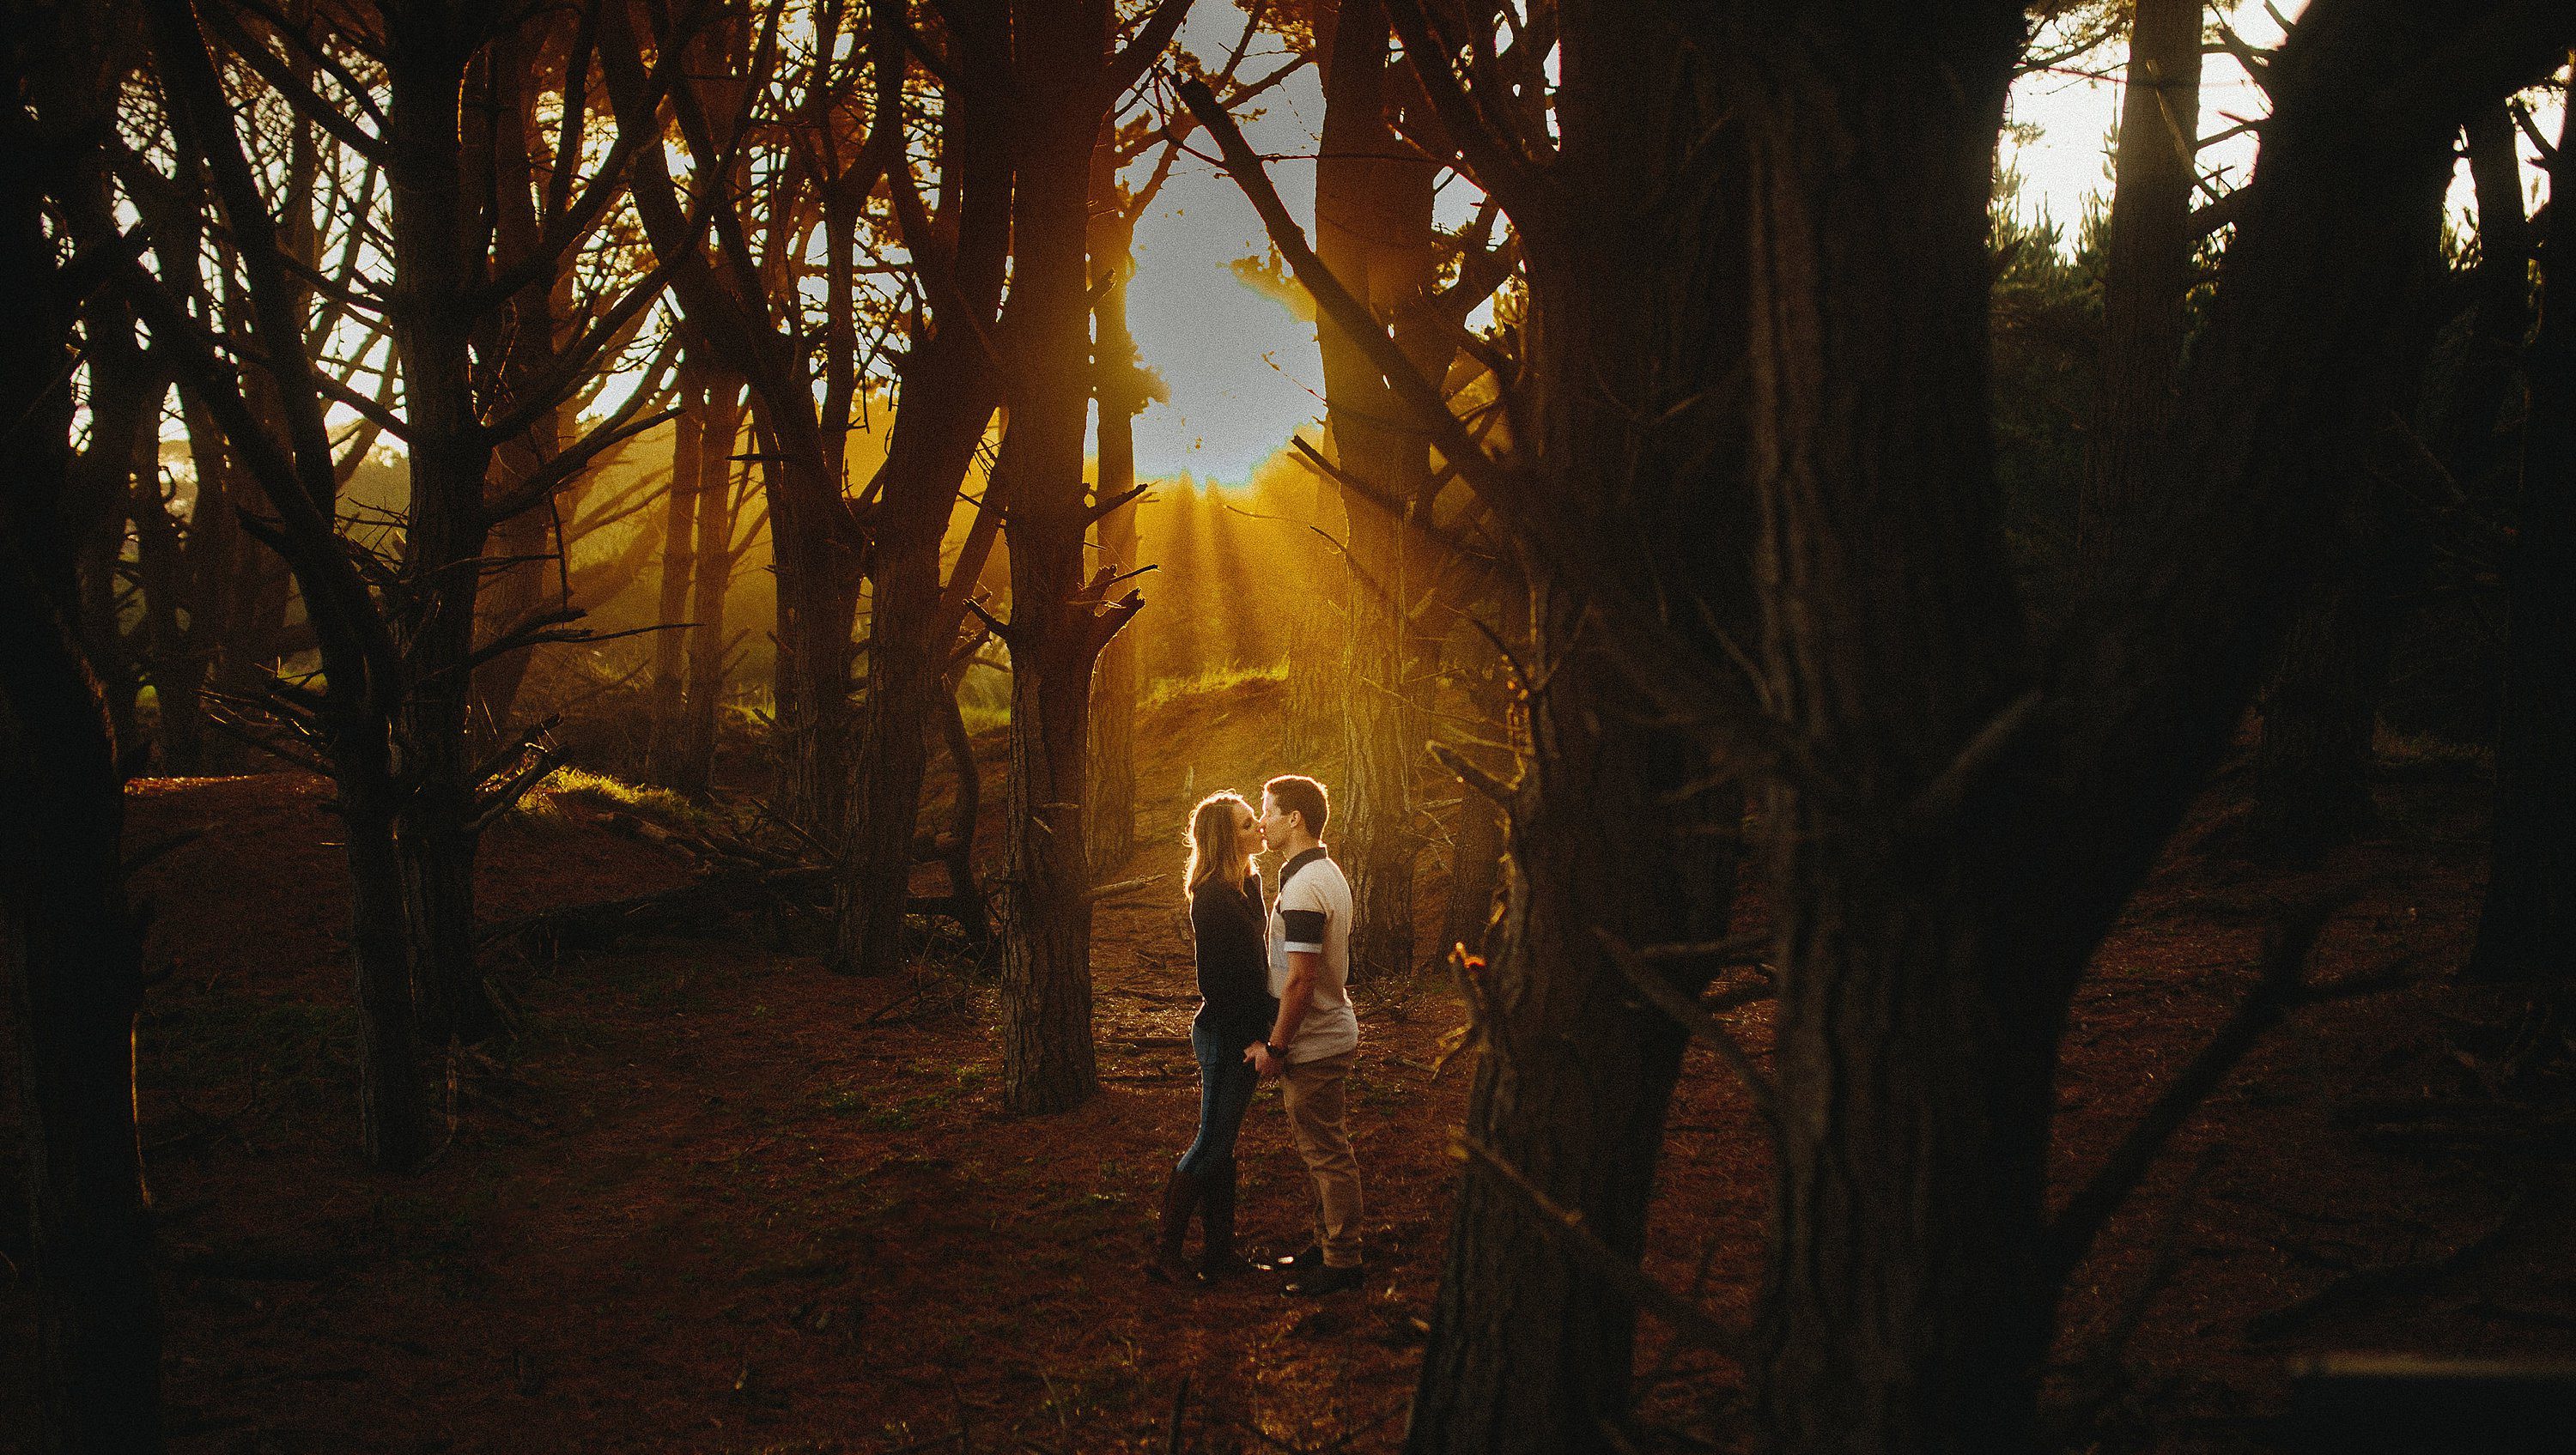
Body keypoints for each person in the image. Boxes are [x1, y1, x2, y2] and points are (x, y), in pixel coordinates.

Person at [1151, 791, 1277, 1284]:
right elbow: (1219, 984)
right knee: (1211, 1143)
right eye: (1247, 824)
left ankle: (1219, 1254)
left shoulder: (1243, 885)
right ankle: (1165, 1254)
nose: (1259, 827)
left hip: (1238, 1031)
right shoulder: (1214, 900)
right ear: (1227, 839)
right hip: (1226, 1036)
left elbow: (1257, 961)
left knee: (1223, 1142)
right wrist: (1253, 1040)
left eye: (1255, 819)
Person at [1251, 773, 1365, 1296]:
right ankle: (1325, 1245)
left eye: (1268, 811)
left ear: (1294, 818)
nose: (1262, 822)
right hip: (1324, 1033)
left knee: (1326, 1152)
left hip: (1315, 1040)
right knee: (1320, 1148)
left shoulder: (1304, 887)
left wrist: (1276, 1047)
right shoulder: (1323, 873)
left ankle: (1342, 1260)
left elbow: (1299, 980)